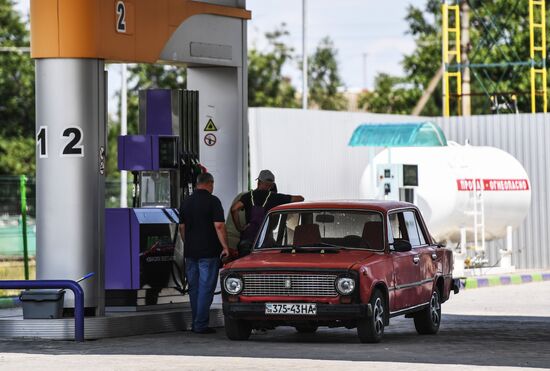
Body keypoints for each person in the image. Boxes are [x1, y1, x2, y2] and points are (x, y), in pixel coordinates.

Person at [179, 172, 229, 334]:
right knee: (206, 288)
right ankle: (200, 324)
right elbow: (219, 226)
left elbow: (182, 228)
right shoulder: (213, 201)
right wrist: (225, 247)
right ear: (210, 183)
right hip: (208, 251)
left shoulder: (186, 202)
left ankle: (196, 322)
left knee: (194, 288)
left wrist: (188, 243)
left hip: (190, 252)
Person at [231, 170, 304, 257]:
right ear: (271, 185)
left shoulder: (247, 196)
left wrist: (239, 228)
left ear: (259, 181)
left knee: (246, 267)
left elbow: (234, 209)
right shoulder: (275, 197)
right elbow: (300, 198)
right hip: (265, 243)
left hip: (247, 240)